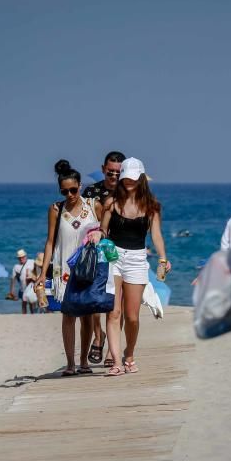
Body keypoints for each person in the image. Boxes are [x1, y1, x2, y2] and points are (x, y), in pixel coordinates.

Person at [96, 157, 170, 377]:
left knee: (132, 316)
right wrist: (96, 237)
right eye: (125, 177)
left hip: (137, 259)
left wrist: (163, 258)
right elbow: (103, 231)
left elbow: (156, 235)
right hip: (113, 256)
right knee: (113, 312)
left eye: (133, 178)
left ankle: (129, 354)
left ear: (141, 179)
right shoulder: (111, 202)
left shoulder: (151, 206)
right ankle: (116, 362)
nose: (128, 181)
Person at [37, 160, 103, 376]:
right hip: (63, 267)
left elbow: (104, 234)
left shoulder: (94, 206)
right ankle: (70, 363)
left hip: (87, 268)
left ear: (80, 186)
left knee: (86, 316)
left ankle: (84, 361)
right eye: (65, 191)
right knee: (68, 316)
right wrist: (41, 273)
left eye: (73, 190)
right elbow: (49, 242)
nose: (70, 195)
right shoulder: (56, 209)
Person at [83, 151, 125, 364]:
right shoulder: (91, 192)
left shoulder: (128, 191)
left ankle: (112, 350)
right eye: (110, 172)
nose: (114, 176)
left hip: (122, 251)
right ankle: (99, 337)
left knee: (118, 303)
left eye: (118, 172)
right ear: (103, 169)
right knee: (95, 301)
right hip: (97, 252)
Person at [8, 249, 39, 314]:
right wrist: (11, 291)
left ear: (25, 256)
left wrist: (35, 278)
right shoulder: (16, 267)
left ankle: (32, 315)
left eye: (22, 257)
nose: (21, 259)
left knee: (31, 303)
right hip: (22, 288)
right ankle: (24, 316)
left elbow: (38, 268)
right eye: (20, 258)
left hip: (31, 287)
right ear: (18, 258)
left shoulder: (32, 262)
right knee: (24, 303)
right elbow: (13, 279)